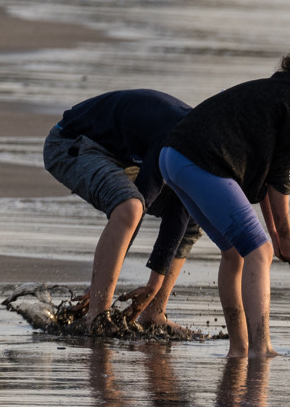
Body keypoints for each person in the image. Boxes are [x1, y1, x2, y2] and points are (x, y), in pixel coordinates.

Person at [160, 23, 290, 358]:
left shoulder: (282, 91)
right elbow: (279, 177)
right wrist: (284, 235)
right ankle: (261, 348)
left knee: (237, 251)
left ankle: (240, 348)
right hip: (202, 161)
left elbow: (263, 182)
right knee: (258, 252)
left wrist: (276, 236)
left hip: (173, 157)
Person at [43, 90, 202, 332]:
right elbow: (142, 202)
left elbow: (181, 209)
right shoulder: (177, 135)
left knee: (194, 212)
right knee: (130, 206)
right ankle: (97, 316)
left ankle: (154, 313)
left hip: (125, 157)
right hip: (72, 143)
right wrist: (100, 285)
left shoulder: (203, 145)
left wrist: (154, 285)